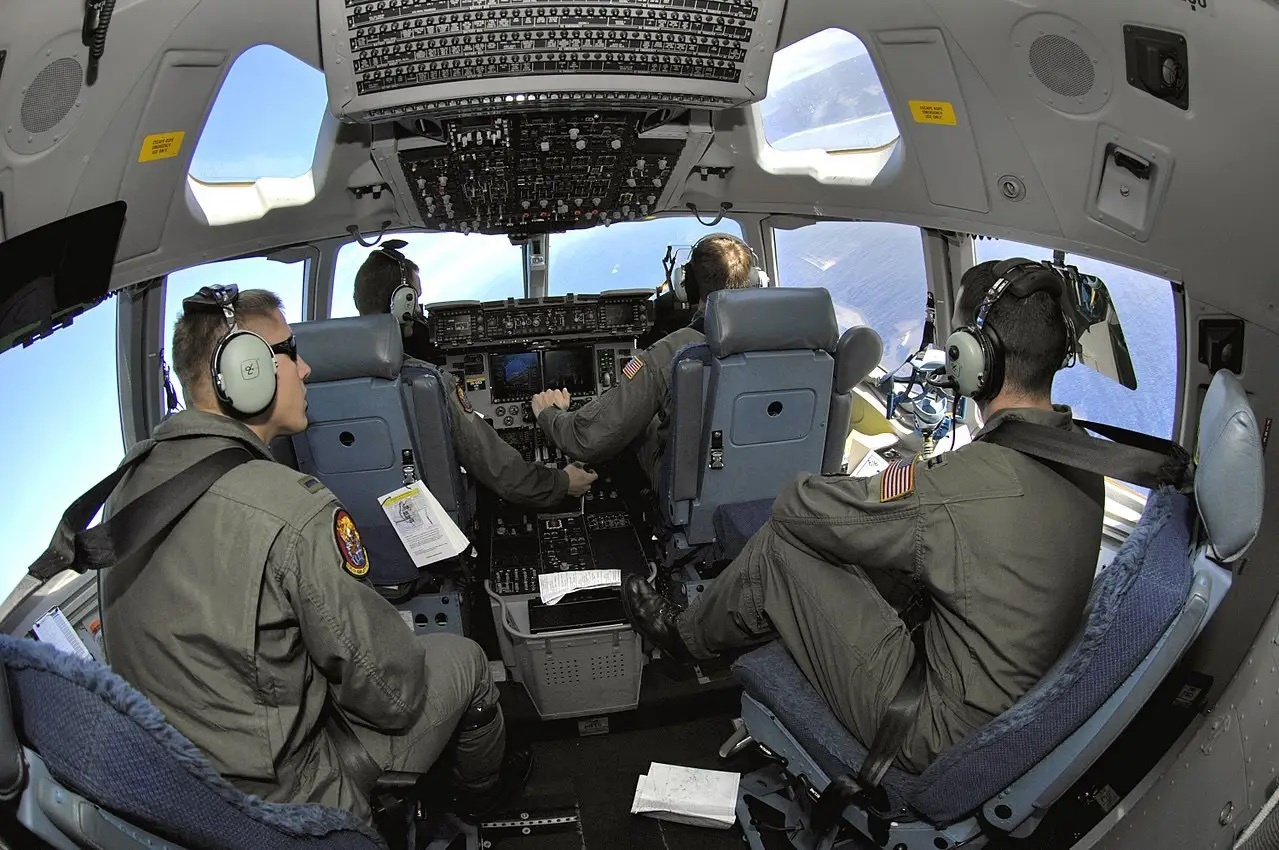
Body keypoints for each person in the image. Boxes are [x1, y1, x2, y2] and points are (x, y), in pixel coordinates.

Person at [621, 258, 1106, 773]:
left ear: (974, 355)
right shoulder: (1082, 457)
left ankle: (685, 637)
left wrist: (827, 486)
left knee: (783, 545)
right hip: (1004, 710)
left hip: (932, 731)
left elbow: (797, 509)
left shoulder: (965, 485)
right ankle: (748, 618)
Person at [98, 285, 524, 824]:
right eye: (290, 351)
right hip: (294, 798)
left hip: (185, 800)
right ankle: (481, 799)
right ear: (246, 370)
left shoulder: (126, 496)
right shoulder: (290, 510)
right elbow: (394, 694)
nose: (305, 370)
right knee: (464, 659)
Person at [353, 245, 597, 507]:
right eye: (416, 300)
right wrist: (562, 482)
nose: (418, 312)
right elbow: (501, 472)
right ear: (403, 303)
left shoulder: (317, 376)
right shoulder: (430, 382)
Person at [529, 232, 760, 485]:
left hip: (693, 491)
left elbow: (588, 440)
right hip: (763, 478)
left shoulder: (671, 352)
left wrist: (549, 414)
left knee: (639, 419)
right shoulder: (788, 338)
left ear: (687, 286)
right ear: (754, 281)